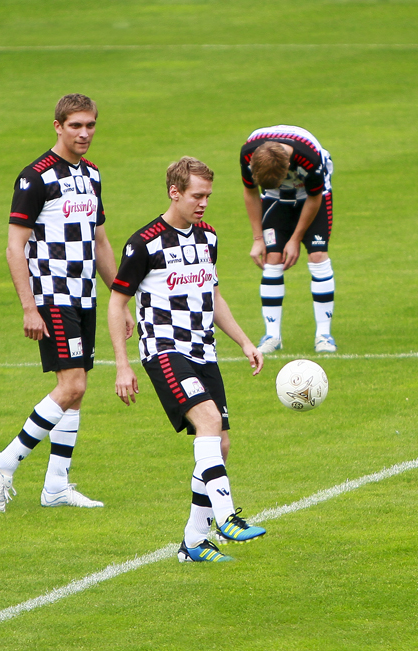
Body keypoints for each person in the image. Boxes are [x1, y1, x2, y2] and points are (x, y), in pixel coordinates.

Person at [109, 156, 266, 563]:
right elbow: (116, 303)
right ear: (174, 192)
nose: (203, 204)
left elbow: (212, 296)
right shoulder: (143, 242)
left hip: (204, 351)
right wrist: (122, 365)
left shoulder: (209, 237)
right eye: (197, 195)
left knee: (220, 443)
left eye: (208, 196)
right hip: (164, 350)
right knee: (209, 423)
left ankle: (193, 542)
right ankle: (227, 517)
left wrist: (245, 342)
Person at [0, 93, 134, 513]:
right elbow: (15, 248)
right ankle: (4, 463)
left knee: (77, 392)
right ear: (57, 126)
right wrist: (29, 307)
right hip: (52, 295)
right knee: (73, 385)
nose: (84, 133)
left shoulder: (93, 175)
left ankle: (55, 487)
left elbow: (101, 242)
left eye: (90, 125)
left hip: (84, 295)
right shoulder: (35, 177)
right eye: (76, 126)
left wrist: (120, 301)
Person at [240, 125, 337, 354]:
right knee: (272, 257)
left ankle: (324, 334)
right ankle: (272, 335)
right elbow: (251, 193)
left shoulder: (310, 157)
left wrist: (295, 239)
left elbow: (315, 198)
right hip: (275, 199)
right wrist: (257, 238)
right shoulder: (247, 155)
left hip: (312, 195)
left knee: (317, 255)